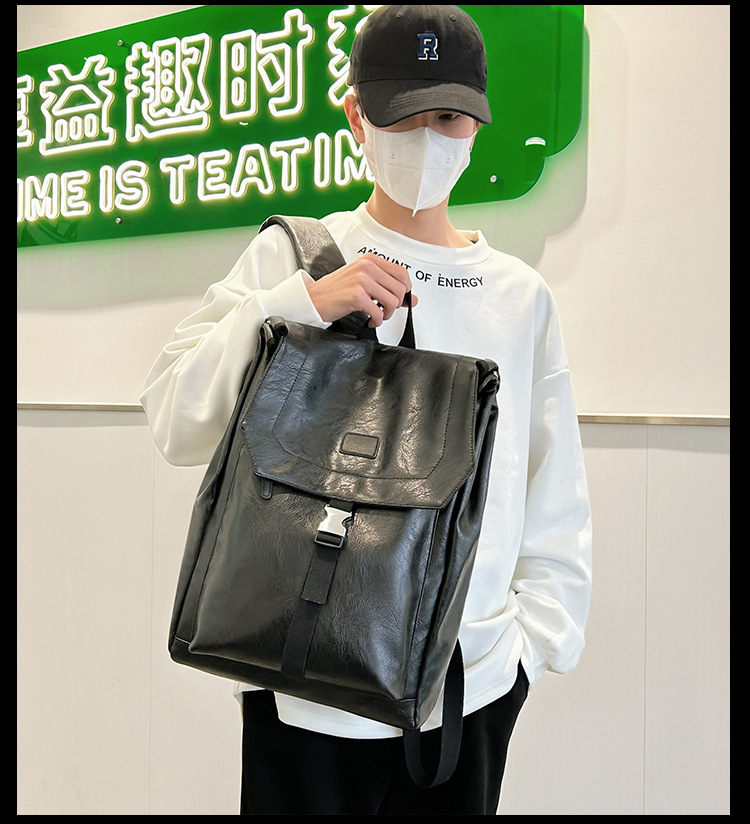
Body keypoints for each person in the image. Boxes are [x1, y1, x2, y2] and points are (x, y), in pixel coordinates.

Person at [141, 5, 592, 816]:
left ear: (477, 124)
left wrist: (534, 648)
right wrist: (300, 304)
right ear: (357, 117)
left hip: (470, 689)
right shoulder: (297, 256)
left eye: (448, 117)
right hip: (301, 680)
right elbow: (174, 418)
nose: (427, 138)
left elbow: (550, 481)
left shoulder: (520, 296)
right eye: (402, 116)